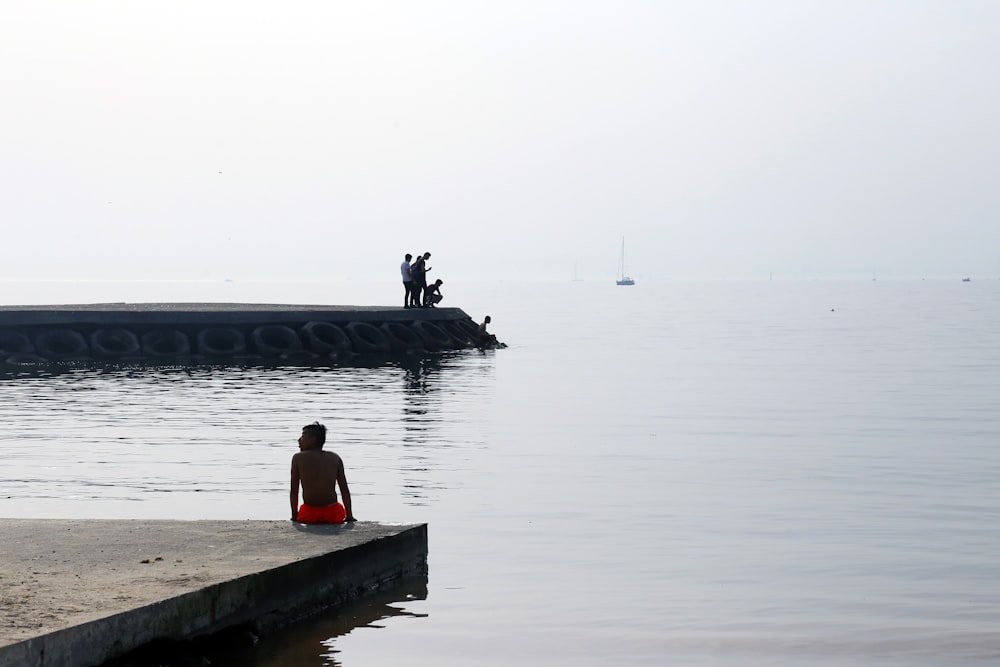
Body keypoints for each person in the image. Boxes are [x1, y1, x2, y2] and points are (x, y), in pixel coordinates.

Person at [290, 422, 356, 524]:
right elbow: (344, 489)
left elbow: (294, 490)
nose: (299, 440)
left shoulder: (298, 458)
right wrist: (349, 516)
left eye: (303, 436)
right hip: (333, 514)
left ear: (313, 440)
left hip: (309, 514)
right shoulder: (335, 457)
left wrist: (294, 516)